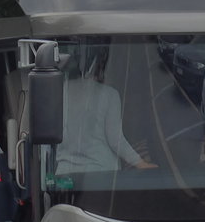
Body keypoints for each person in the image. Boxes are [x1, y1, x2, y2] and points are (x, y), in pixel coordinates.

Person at [55, 43, 156, 174]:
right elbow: (115, 140)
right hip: (101, 177)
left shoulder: (59, 91)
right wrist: (140, 163)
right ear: (102, 65)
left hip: (65, 175)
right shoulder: (109, 94)